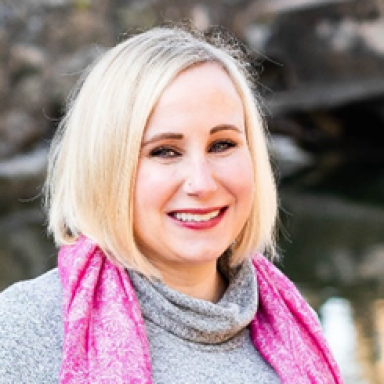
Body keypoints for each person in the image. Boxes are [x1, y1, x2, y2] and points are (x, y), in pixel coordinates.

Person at [0, 25, 342, 383]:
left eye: (222, 145)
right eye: (164, 151)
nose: (202, 183)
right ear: (105, 167)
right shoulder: (24, 331)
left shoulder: (293, 326)